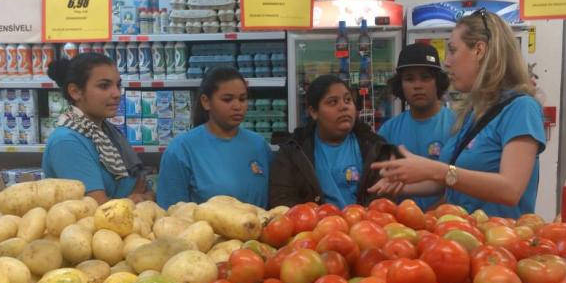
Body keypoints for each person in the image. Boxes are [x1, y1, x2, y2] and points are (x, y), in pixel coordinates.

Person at [371, 9, 546, 218]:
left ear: (479, 50)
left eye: (453, 50)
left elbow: (510, 189)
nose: (447, 62)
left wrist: (434, 169)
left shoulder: (521, 108)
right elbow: (453, 182)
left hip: (500, 245)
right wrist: (402, 183)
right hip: (462, 239)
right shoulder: (472, 113)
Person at [269, 74, 397, 209]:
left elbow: (384, 201)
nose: (343, 107)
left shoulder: (376, 148)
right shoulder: (292, 152)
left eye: (348, 100)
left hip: (365, 227)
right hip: (311, 228)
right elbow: (282, 202)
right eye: (333, 102)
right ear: (313, 112)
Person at [43, 53, 152, 205]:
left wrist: (138, 197)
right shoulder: (67, 142)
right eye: (104, 86)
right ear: (75, 91)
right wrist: (133, 198)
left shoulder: (106, 131)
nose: (116, 94)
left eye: (118, 85)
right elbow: (99, 211)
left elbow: (147, 191)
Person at [157, 67, 272, 209]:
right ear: (206, 102)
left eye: (242, 99)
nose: (237, 106)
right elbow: (171, 215)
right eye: (227, 99)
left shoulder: (259, 145)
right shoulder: (181, 150)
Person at [378, 42, 454, 210]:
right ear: (401, 85)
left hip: (447, 223)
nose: (417, 85)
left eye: (425, 77)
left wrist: (429, 217)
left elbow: (462, 182)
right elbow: (382, 185)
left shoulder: (458, 125)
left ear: (438, 82)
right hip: (400, 228)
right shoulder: (387, 131)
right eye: (409, 78)